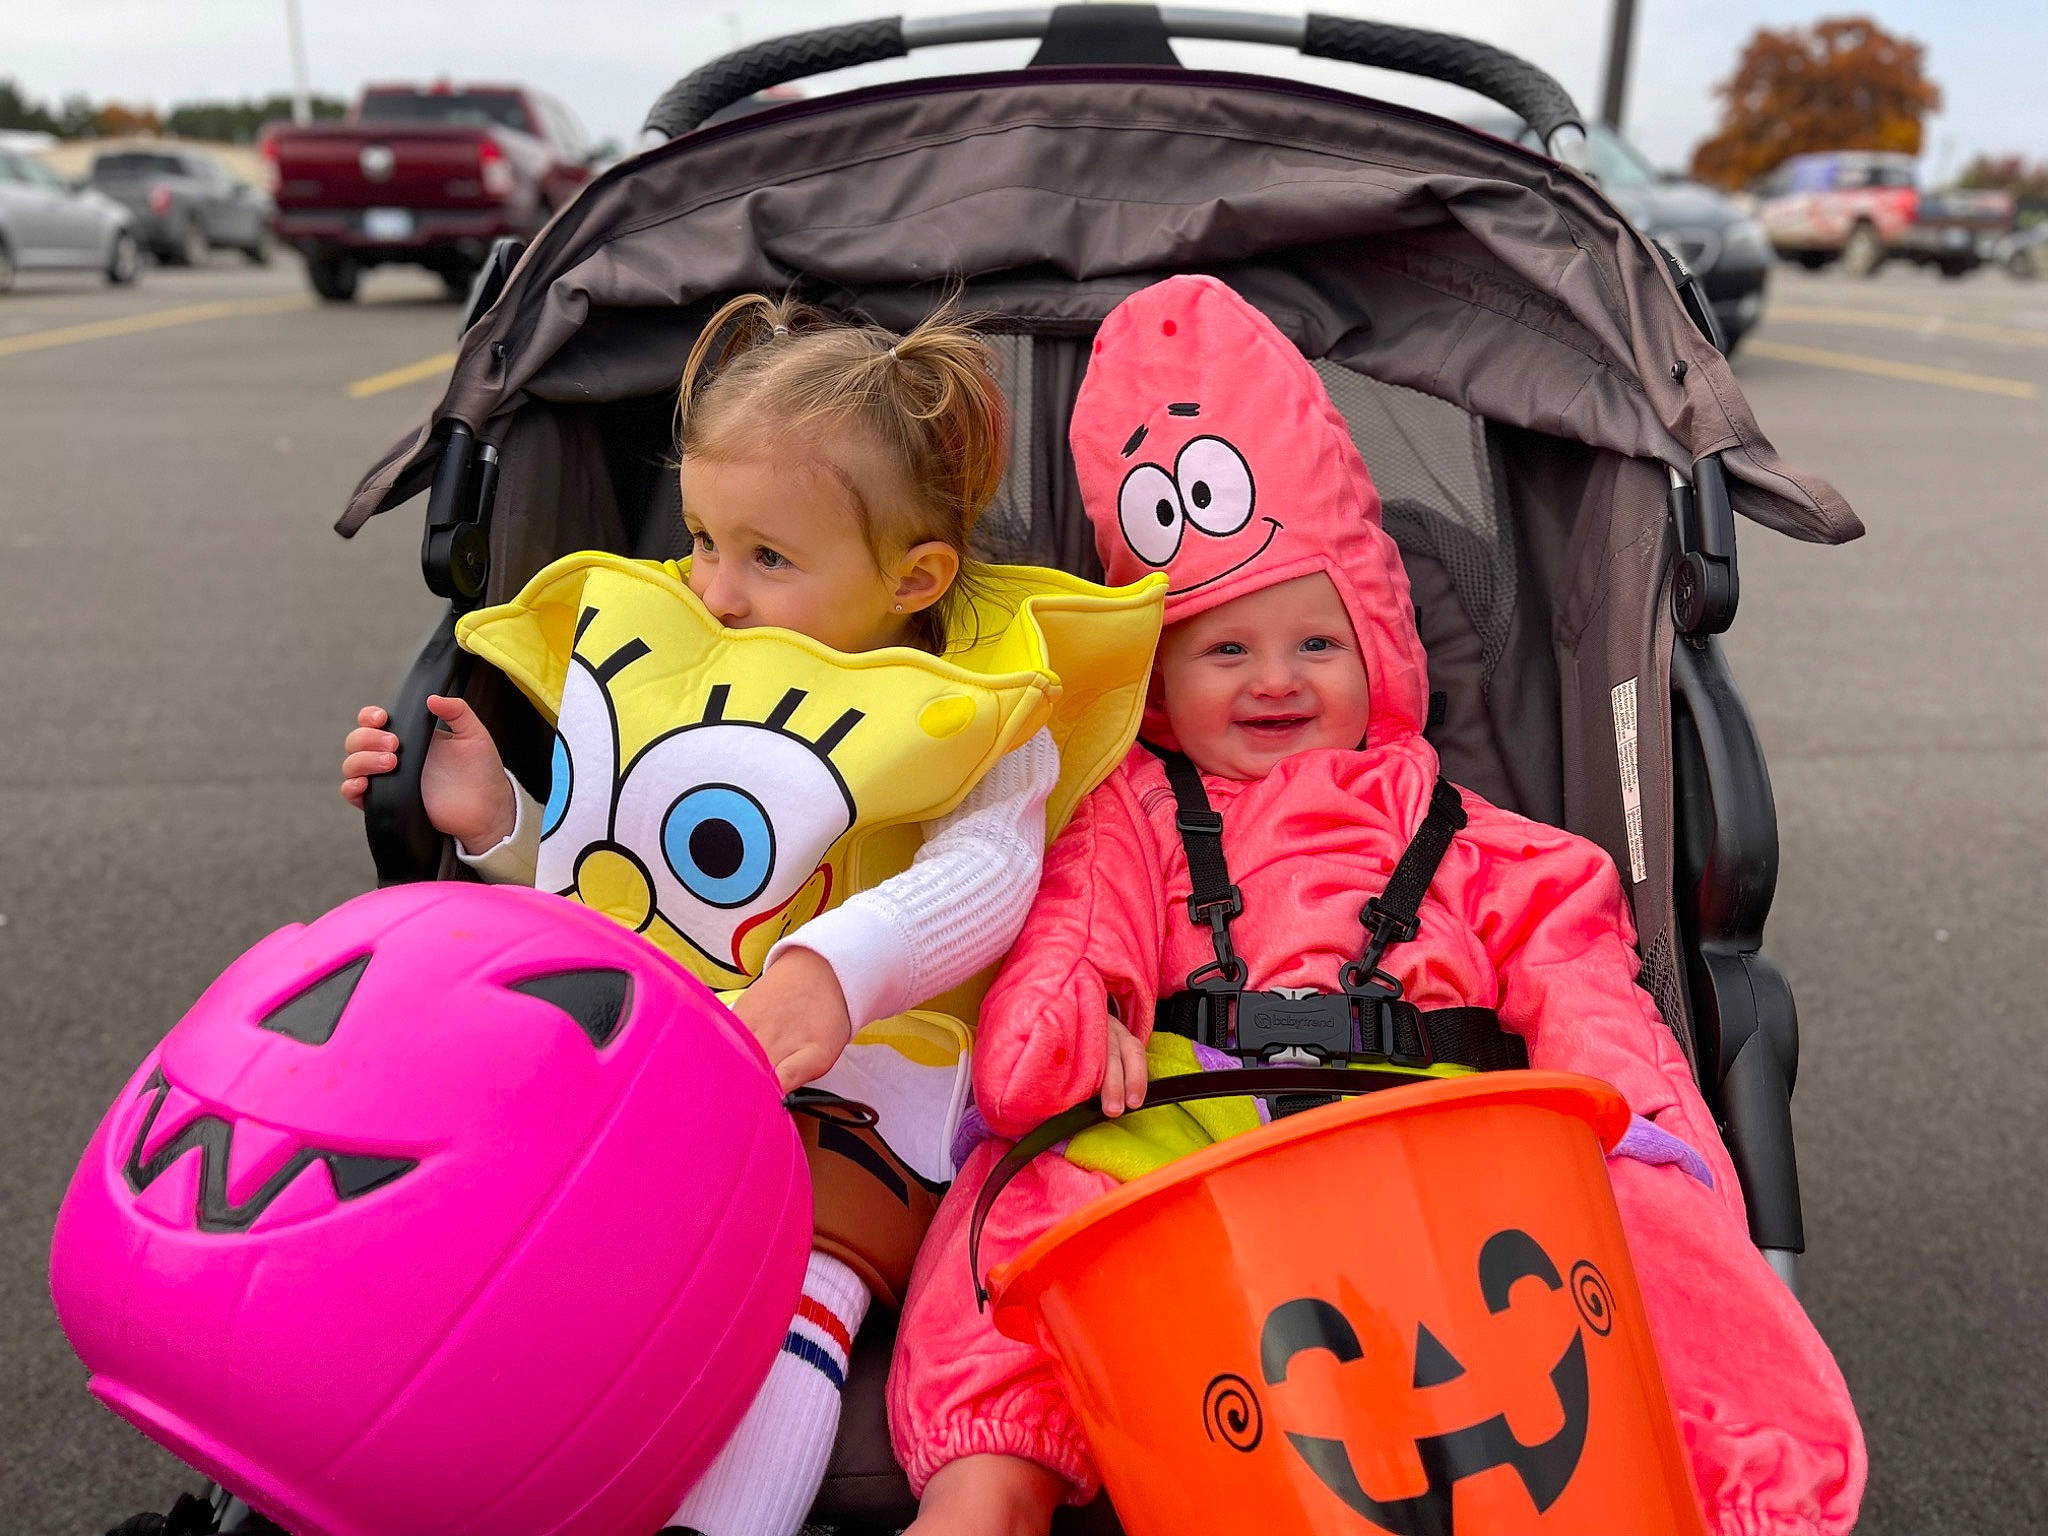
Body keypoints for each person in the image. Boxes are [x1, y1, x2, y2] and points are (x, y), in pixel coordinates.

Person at [888, 276, 1865, 1536]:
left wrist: (1639, 1140)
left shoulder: (1487, 844)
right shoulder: (1126, 815)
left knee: (1633, 1217)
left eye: (1315, 645)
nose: (1274, 681)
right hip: (1186, 1157)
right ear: (1156, 681)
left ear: (1382, 649)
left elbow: (1581, 987)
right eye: (1222, 651)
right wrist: (1067, 1031)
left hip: (1435, 1156)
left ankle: (1729, 1483)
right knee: (1023, 1197)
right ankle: (991, 1485)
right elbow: (1079, 937)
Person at [339, 294, 1163, 1536]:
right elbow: (624, 885)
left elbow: (988, 876)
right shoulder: (688, 649)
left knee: (790, 1289)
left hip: (853, 1084)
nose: (715, 589)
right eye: (704, 540)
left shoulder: (978, 697)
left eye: (767, 558)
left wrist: (835, 969)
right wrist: (500, 822)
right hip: (646, 1063)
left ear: (913, 578)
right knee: (525, 1245)